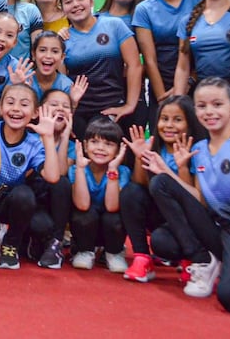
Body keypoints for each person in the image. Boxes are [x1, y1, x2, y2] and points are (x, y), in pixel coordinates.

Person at [145, 77, 230, 312]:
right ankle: (203, 260)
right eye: (202, 105)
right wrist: (171, 171)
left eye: (217, 104)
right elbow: (201, 199)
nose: (210, 111)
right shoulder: (198, 150)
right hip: (215, 224)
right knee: (161, 185)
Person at [0, 84, 62, 269]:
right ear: (1, 109)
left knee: (24, 195)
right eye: (10, 102)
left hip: (11, 202)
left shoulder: (34, 143)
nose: (16, 108)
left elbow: (53, 176)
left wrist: (48, 137)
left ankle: (11, 245)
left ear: (35, 113)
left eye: (24, 104)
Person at [121, 95, 203, 282]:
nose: (169, 125)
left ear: (189, 122)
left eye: (177, 120)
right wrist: (141, 157)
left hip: (187, 220)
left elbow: (193, 199)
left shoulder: (196, 150)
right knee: (130, 192)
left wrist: (181, 167)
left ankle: (190, 260)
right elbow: (140, 184)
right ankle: (142, 258)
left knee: (162, 242)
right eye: (164, 119)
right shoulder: (156, 147)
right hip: (160, 212)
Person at [132, 0, 204, 131]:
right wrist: (163, 98)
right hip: (161, 84)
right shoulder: (144, 9)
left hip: (199, 81)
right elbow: (149, 59)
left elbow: (205, 47)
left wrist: (188, 83)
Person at [61, 0, 141, 141]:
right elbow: (62, 80)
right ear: (63, 9)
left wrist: (130, 105)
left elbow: (134, 65)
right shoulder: (62, 39)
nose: (75, 4)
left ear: (91, 1)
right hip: (79, 113)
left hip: (111, 109)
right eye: (68, 1)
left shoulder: (114, 25)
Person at [69, 117, 130, 272]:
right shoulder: (76, 169)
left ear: (118, 149)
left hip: (110, 229)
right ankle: (85, 251)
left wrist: (112, 169)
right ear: (85, 145)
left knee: (114, 217)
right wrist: (81, 169)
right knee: (83, 215)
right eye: (95, 142)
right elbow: (82, 205)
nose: (101, 148)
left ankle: (114, 253)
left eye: (108, 144)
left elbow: (111, 206)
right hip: (86, 228)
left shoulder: (122, 172)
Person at [28, 89, 76, 269]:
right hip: (32, 202)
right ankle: (31, 239)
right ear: (40, 110)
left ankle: (55, 244)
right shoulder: (30, 136)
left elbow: (60, 173)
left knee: (62, 182)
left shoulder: (72, 146)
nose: (60, 109)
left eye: (65, 106)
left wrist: (64, 139)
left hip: (56, 207)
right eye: (54, 105)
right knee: (39, 225)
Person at [98, 0, 149, 129]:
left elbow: (150, 60)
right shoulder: (93, 18)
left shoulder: (139, 21)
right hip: (99, 93)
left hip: (130, 93)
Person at [29, 30, 87, 106]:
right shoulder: (24, 79)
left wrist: (73, 102)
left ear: (62, 57)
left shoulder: (66, 85)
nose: (48, 56)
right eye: (42, 50)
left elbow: (66, 115)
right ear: (33, 54)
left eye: (55, 51)